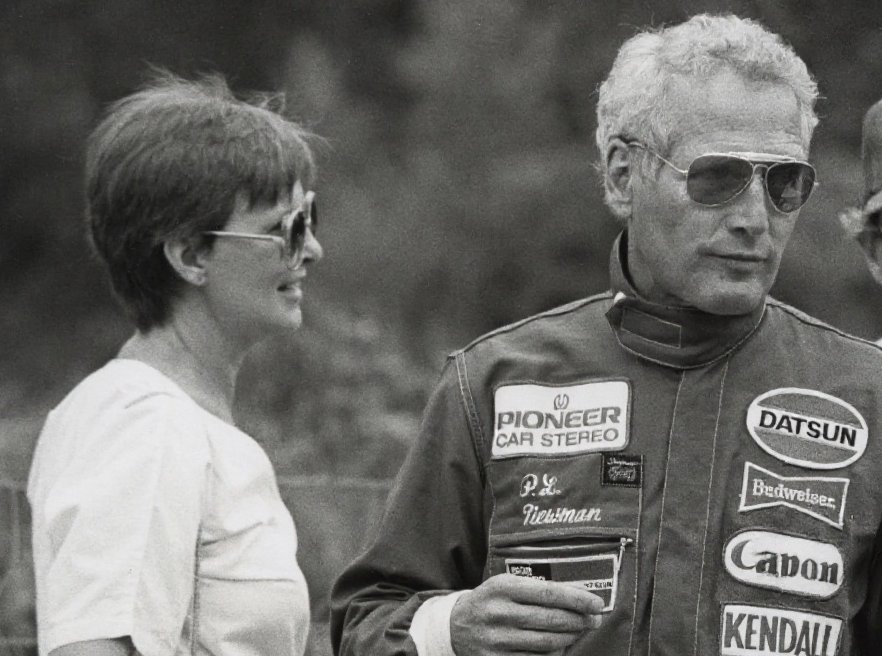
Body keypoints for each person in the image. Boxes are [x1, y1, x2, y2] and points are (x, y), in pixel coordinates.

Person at [331, 13, 882, 655]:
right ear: (623, 174)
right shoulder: (493, 383)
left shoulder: (866, 394)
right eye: (717, 178)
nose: (754, 219)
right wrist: (448, 630)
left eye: (785, 183)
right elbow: (363, 624)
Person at [27, 71, 322, 656]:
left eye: (311, 219)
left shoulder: (173, 419)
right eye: (285, 229)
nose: (312, 248)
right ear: (191, 256)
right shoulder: (144, 423)